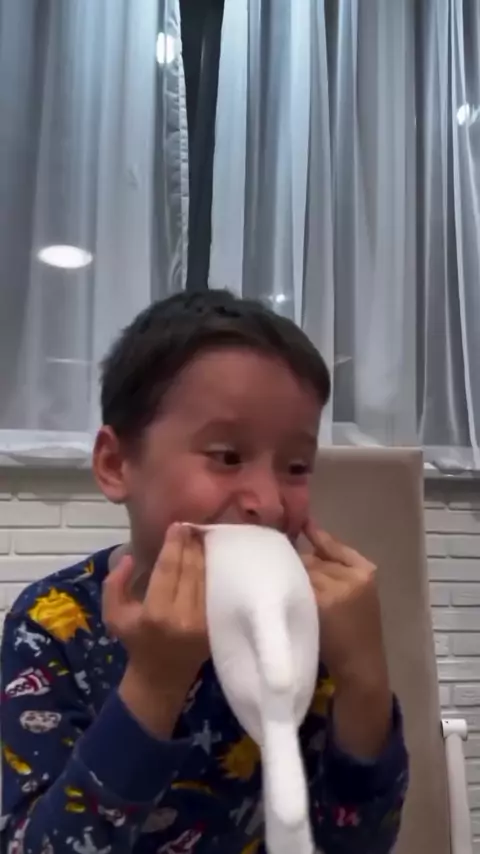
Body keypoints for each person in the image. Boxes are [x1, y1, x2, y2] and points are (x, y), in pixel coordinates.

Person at [1, 290, 408, 854]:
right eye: (227, 456)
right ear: (117, 465)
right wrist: (155, 681)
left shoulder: (303, 631)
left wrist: (363, 677)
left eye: (296, 466)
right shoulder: (53, 625)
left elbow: (355, 843)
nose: (268, 503)